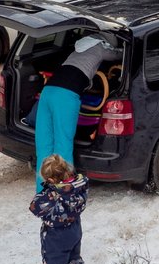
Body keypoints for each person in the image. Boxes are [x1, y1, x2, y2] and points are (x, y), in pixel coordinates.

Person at [35, 33, 120, 192]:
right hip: (66, 95)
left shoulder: (79, 48)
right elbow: (117, 55)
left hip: (47, 92)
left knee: (44, 145)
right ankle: (65, 194)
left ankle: (42, 193)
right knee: (63, 146)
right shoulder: (100, 48)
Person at [30, 154, 89, 264]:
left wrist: (48, 190)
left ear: (50, 180)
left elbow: (35, 207)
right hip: (75, 231)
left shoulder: (53, 196)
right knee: (74, 259)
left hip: (56, 238)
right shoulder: (78, 188)